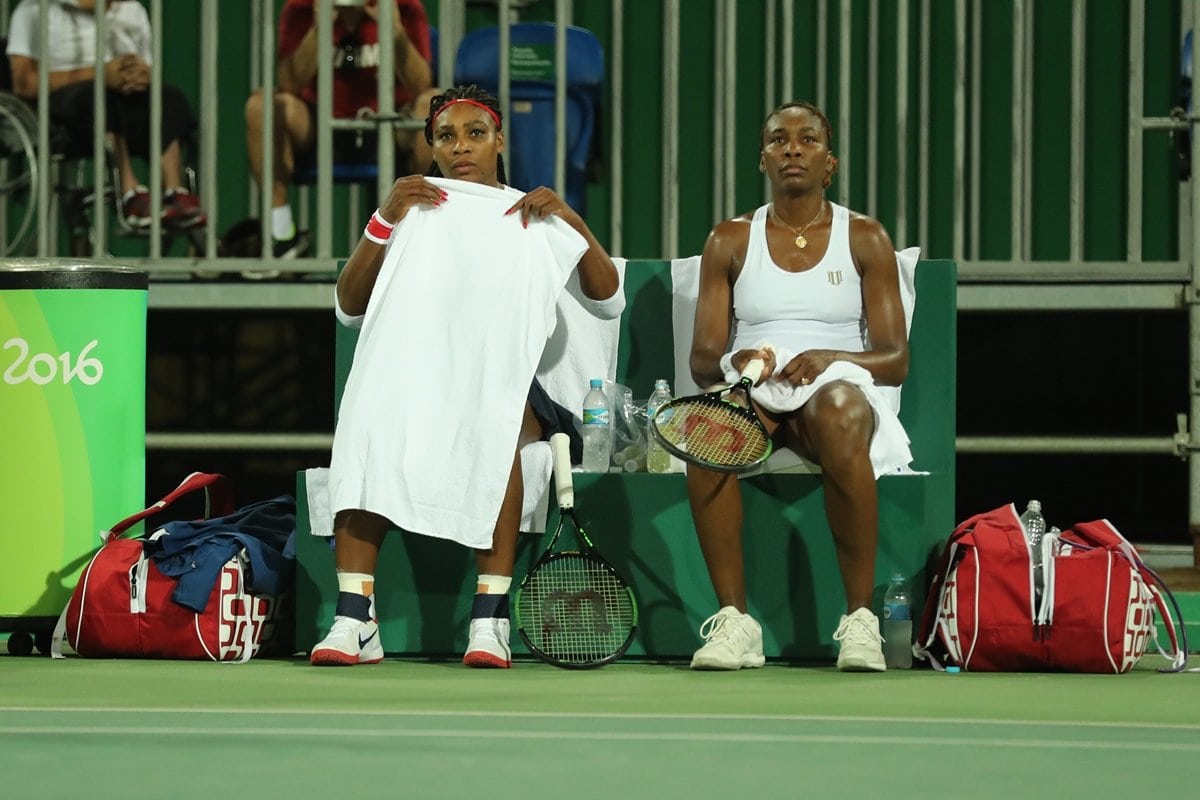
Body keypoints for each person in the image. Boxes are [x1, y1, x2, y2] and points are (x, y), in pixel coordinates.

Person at [311, 84, 623, 668]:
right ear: (430, 147)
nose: (461, 147)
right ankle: (355, 617)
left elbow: (607, 302)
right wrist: (382, 218)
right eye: (446, 136)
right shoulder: (409, 209)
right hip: (413, 381)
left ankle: (489, 619)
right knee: (366, 419)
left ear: (498, 141)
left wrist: (572, 220)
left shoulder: (529, 213)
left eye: (475, 134)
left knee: (496, 421)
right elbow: (349, 309)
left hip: (500, 384)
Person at [685, 100, 912, 672]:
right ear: (763, 159)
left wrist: (827, 357)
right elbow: (704, 359)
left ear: (828, 163)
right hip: (757, 386)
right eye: (779, 141)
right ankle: (736, 622)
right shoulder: (730, 239)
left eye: (807, 140)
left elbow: (894, 359)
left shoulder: (866, 237)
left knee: (839, 410)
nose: (792, 149)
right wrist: (743, 356)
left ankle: (860, 622)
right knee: (707, 432)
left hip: (834, 385)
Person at [244, 0, 438, 260]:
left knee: (432, 103)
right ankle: (282, 237)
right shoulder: (301, 8)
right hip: (318, 126)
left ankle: (420, 231)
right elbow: (288, 84)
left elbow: (421, 85)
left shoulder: (405, 6)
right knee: (262, 105)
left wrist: (394, 31)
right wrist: (319, 27)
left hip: (389, 124)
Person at [5, 0, 206, 229]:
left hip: (123, 96)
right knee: (98, 97)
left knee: (169, 98)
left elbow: (146, 68)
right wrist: (99, 74)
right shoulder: (31, 10)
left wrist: (138, 76)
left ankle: (175, 193)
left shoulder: (132, 10)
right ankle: (131, 195)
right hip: (63, 102)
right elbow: (24, 84)